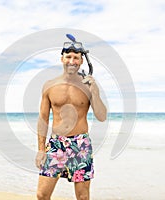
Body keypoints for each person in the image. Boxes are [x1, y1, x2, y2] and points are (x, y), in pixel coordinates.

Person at [35, 36, 107, 200]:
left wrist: (94, 92)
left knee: (82, 197)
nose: (72, 61)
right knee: (42, 195)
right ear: (62, 59)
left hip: (80, 145)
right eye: (68, 57)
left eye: (76, 57)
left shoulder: (88, 85)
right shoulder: (49, 85)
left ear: (82, 61)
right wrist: (40, 149)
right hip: (56, 144)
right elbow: (43, 119)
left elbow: (102, 117)